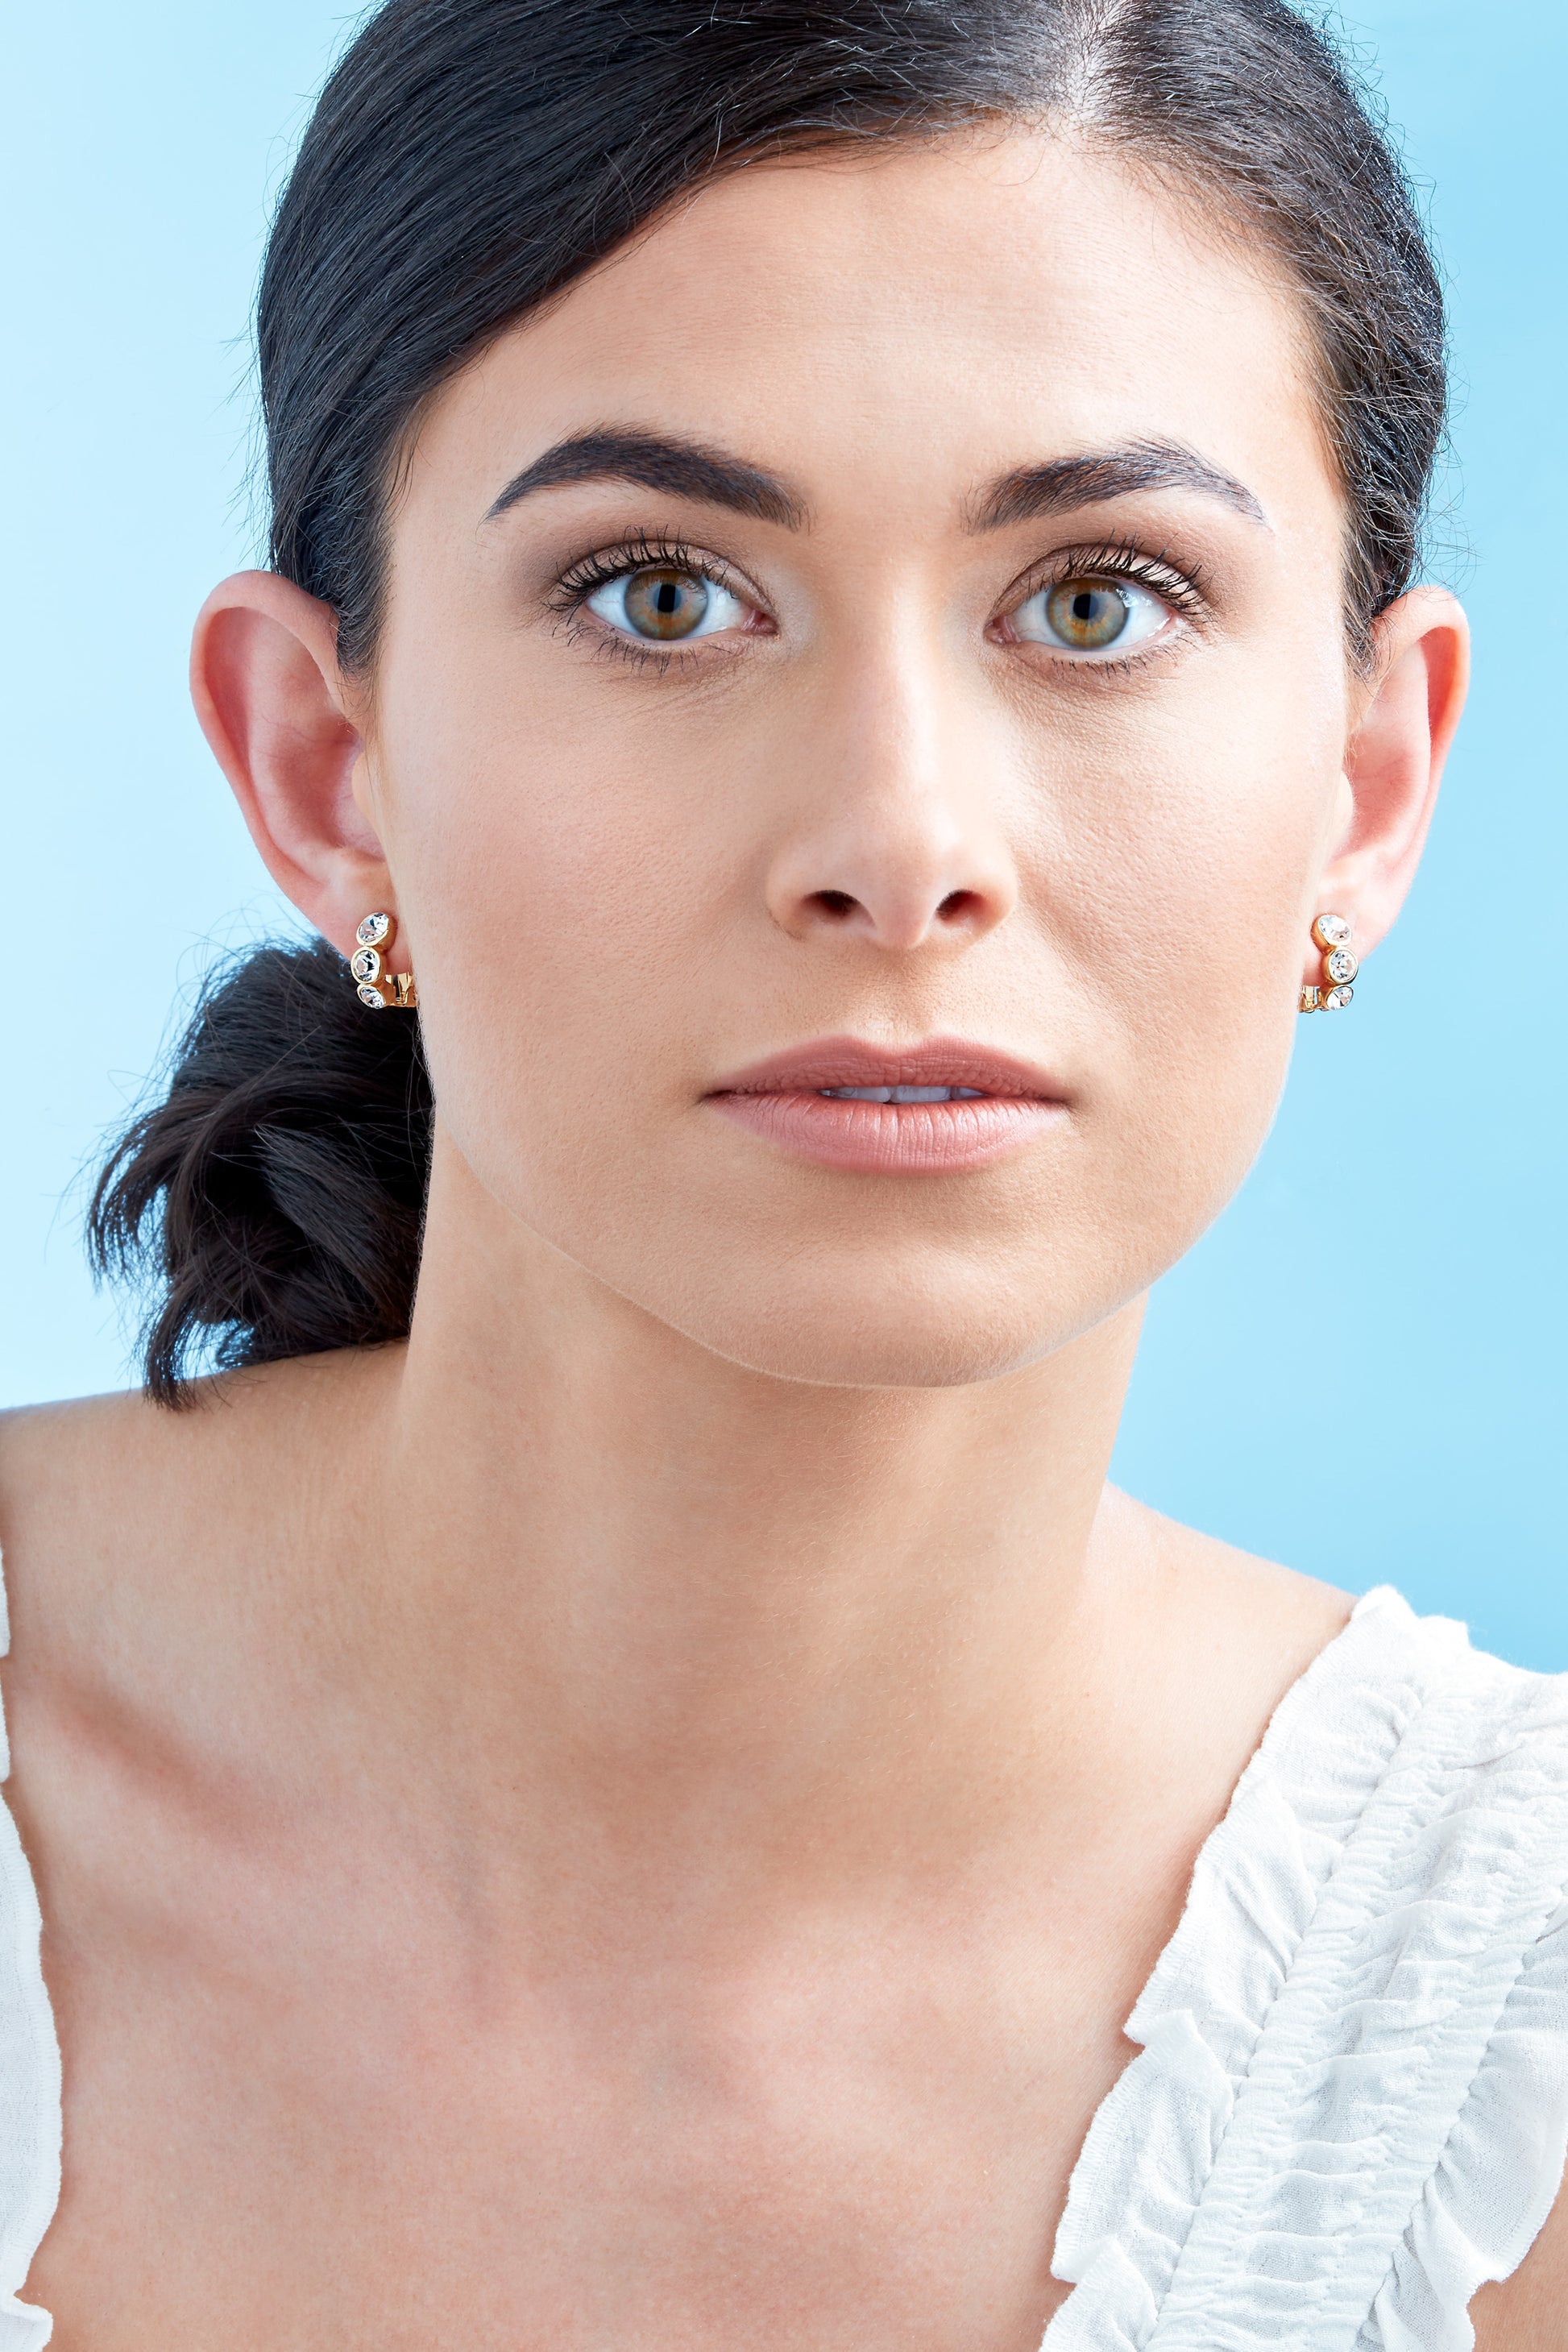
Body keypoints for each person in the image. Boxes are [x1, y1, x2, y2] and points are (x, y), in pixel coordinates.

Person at [0, 0, 1562, 2342]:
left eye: (1094, 601)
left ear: (1361, 792)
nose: (899, 846)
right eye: (661, 594)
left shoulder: (1497, 2043)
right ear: (329, 768)